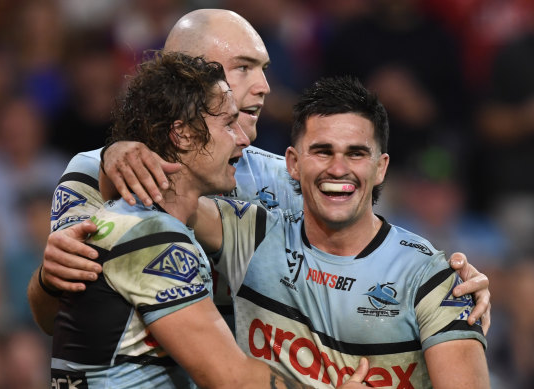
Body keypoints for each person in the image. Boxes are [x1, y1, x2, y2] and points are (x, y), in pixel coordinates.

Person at [28, 9, 491, 336]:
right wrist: (47, 281)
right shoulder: (97, 168)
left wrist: (445, 277)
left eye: (265, 69)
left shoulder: (285, 178)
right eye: (245, 67)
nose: (266, 86)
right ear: (189, 81)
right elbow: (52, 318)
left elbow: (375, 253)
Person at [47, 50, 357, 389]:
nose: (243, 137)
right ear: (182, 135)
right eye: (228, 123)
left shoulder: (135, 222)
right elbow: (232, 380)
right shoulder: (151, 238)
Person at [189, 75, 490, 387]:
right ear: (292, 163)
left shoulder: (430, 278)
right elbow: (171, 194)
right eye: (322, 151)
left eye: (356, 153)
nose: (337, 168)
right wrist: (133, 150)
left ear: (380, 168)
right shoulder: (251, 234)